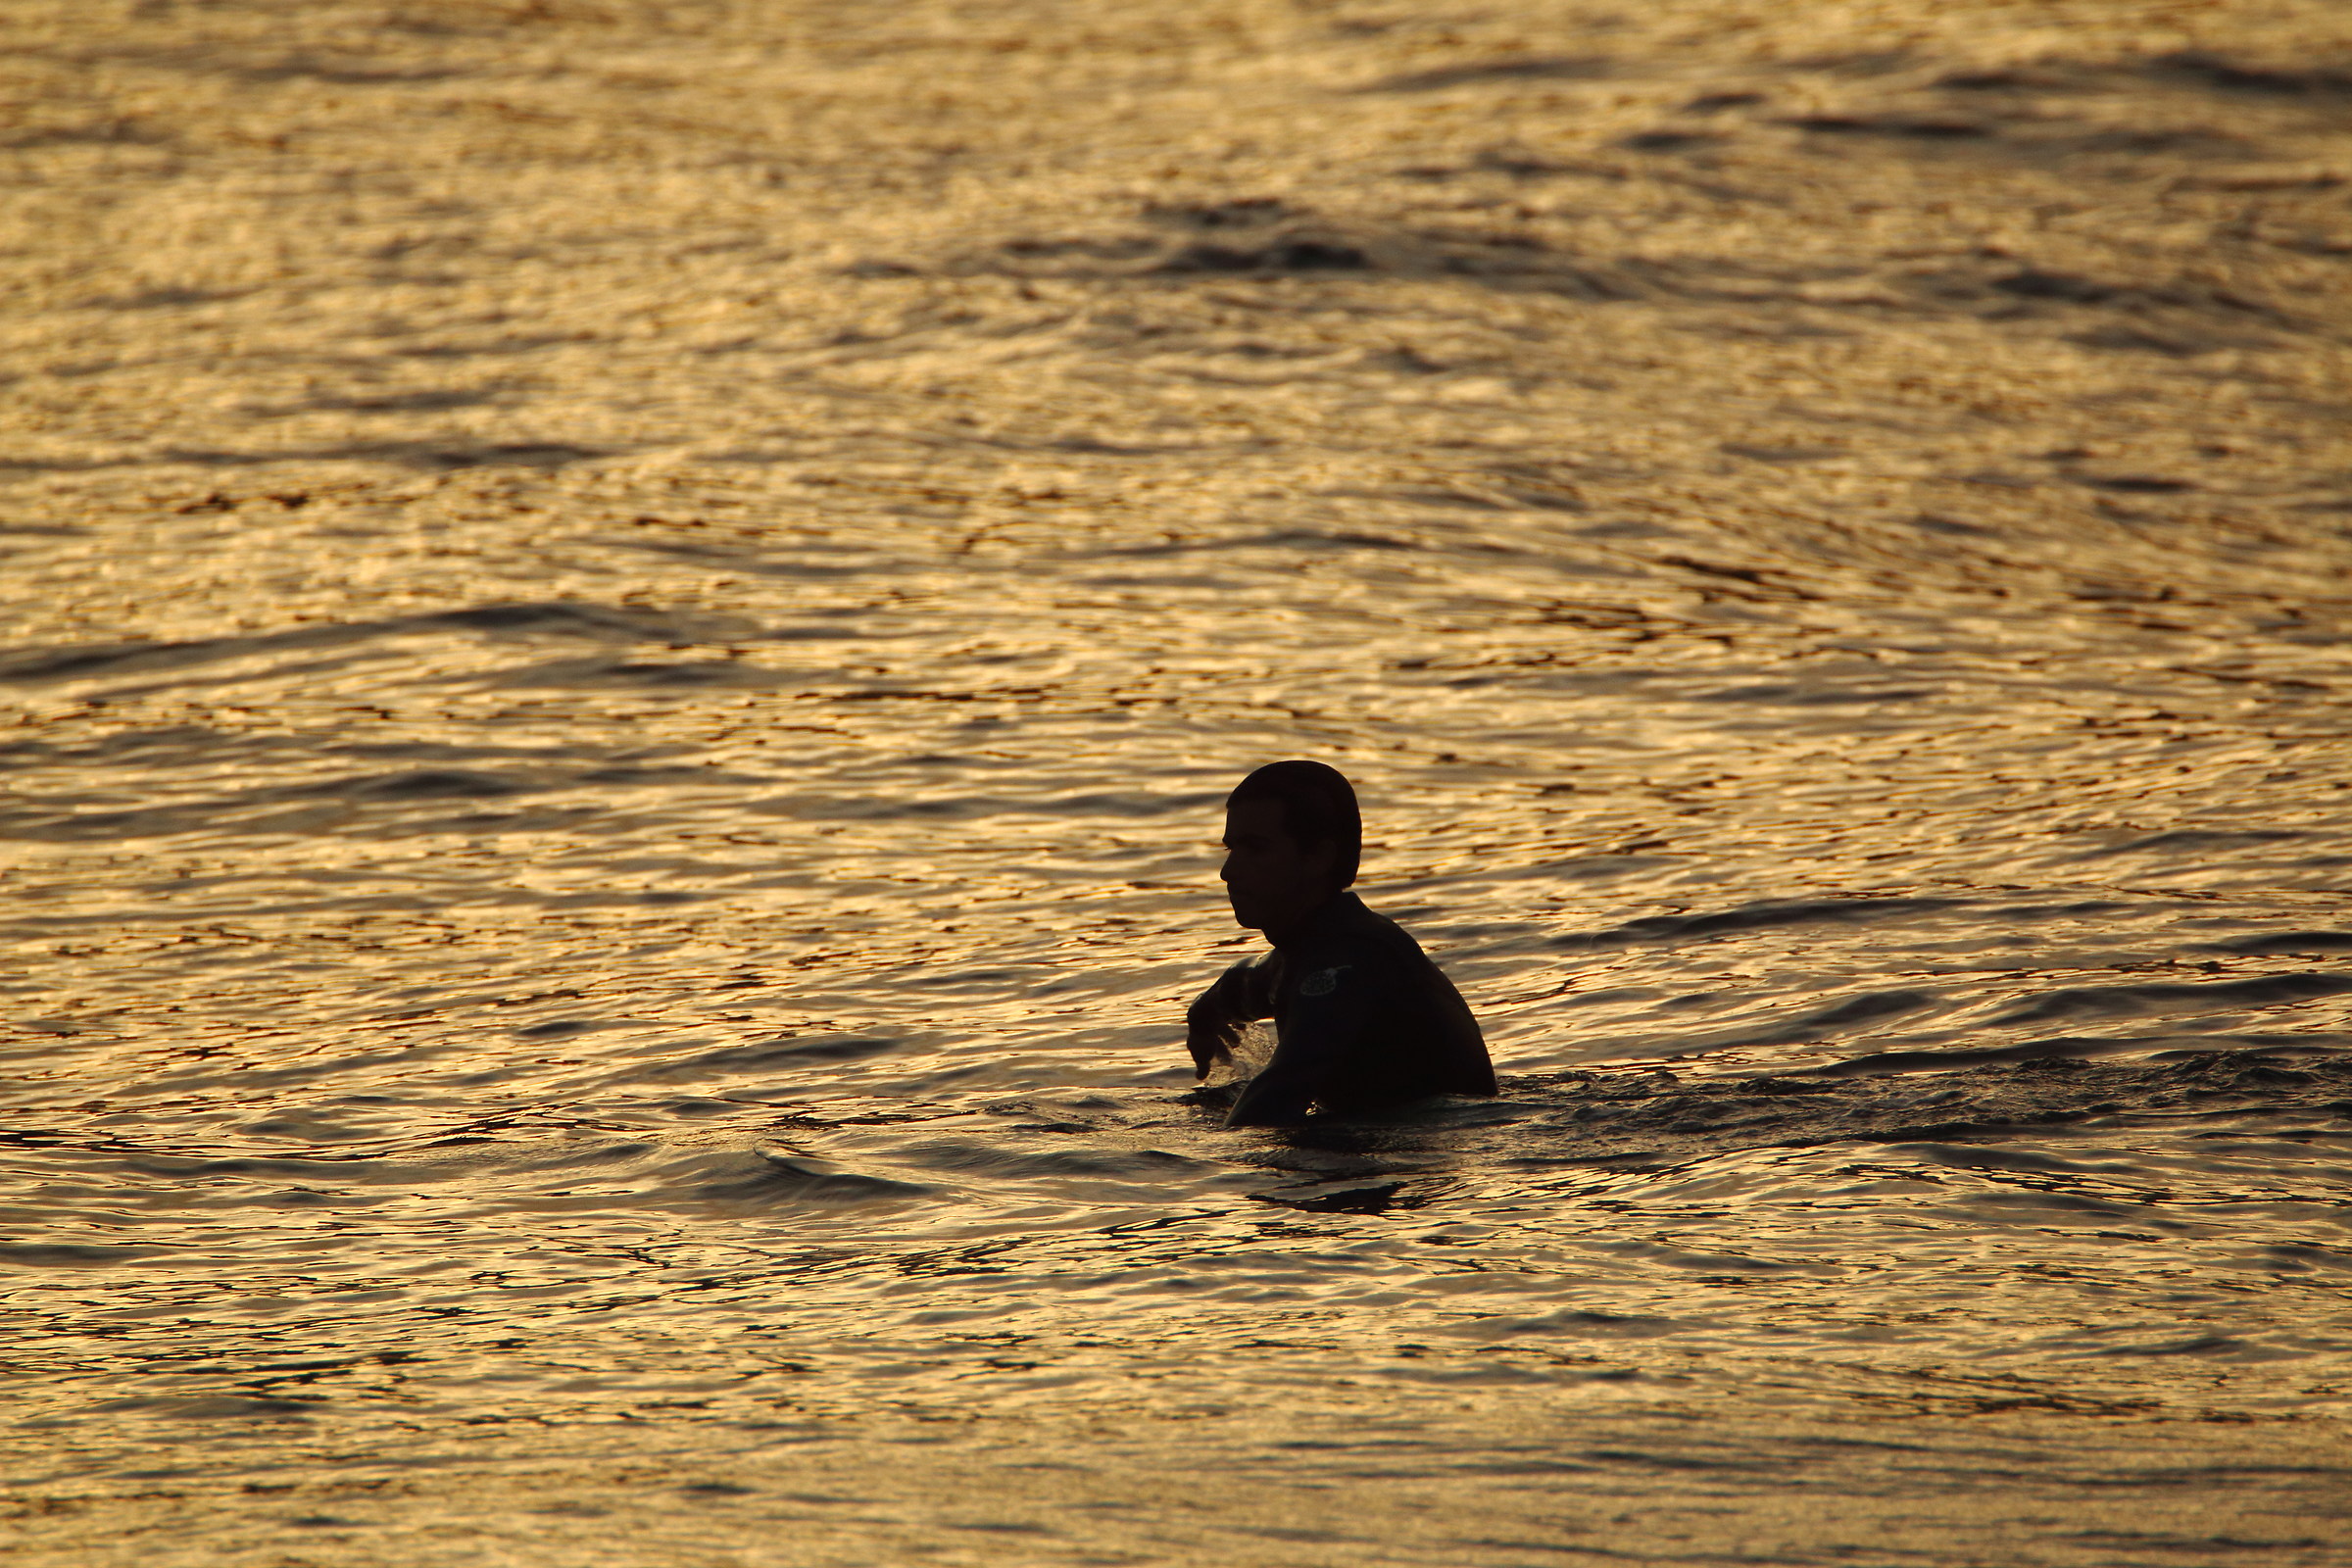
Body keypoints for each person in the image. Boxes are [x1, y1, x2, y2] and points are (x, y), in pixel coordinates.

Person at [1185, 760, 1496, 1126]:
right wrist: (1205, 1011)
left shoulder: (1349, 959)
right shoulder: (1310, 949)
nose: (1228, 871)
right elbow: (1247, 982)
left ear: (1318, 858)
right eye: (1231, 849)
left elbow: (1276, 1097)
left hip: (1433, 1154)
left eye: (1255, 848)